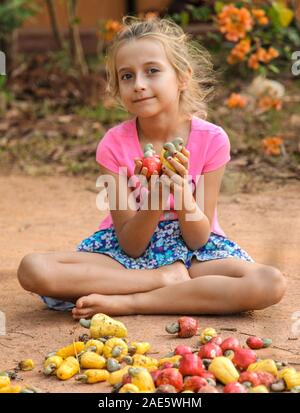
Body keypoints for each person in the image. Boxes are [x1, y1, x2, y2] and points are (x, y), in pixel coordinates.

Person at [17, 16, 286, 318]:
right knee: (33, 269)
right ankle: (161, 284)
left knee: (269, 282)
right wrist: (157, 194)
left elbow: (199, 238)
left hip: (195, 256)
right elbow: (131, 245)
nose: (139, 85)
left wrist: (181, 191)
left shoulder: (212, 139)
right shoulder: (113, 145)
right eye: (127, 76)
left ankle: (131, 302)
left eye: (152, 71)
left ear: (183, 77)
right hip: (125, 257)